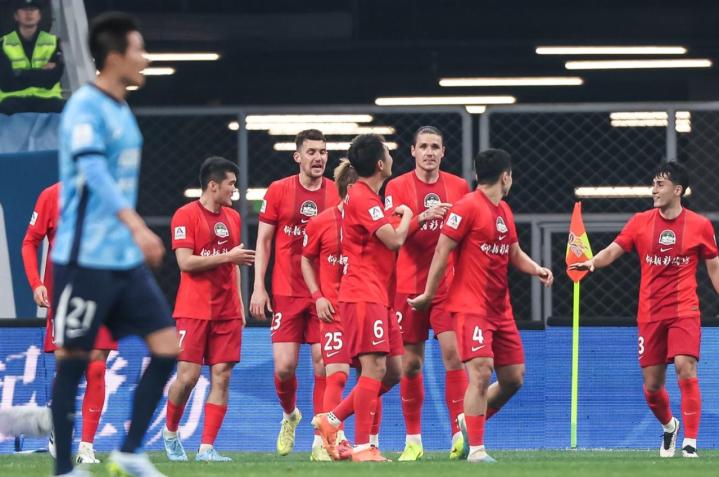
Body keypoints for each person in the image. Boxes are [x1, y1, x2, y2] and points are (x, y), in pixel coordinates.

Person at [50, 13, 178, 477]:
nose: (145, 58)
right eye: (139, 49)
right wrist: (137, 226)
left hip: (123, 262)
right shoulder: (84, 107)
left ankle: (128, 451)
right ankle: (64, 469)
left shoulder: (122, 108)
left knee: (167, 348)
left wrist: (131, 236)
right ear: (114, 56)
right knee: (73, 364)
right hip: (84, 259)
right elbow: (93, 172)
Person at [409, 149, 553, 463]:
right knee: (481, 372)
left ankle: (467, 421)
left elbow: (514, 253)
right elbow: (442, 251)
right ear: (506, 177)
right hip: (470, 307)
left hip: (501, 310)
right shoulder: (466, 207)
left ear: (478, 175)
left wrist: (536, 268)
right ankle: (476, 450)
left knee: (514, 378)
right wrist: (429, 294)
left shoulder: (505, 211)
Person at [569, 161, 717, 459]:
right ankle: (670, 426)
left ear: (678, 190)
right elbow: (614, 249)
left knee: (685, 368)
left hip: (685, 311)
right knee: (652, 387)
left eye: (660, 184)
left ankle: (690, 443)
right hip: (650, 314)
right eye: (653, 184)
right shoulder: (640, 222)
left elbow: (714, 268)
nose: (653, 190)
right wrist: (593, 262)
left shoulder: (700, 226)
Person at [313, 134, 411, 462]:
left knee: (394, 371)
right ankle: (363, 447)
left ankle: (332, 418)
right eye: (388, 152)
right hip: (362, 294)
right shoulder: (362, 196)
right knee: (373, 369)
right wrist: (409, 215)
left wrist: (398, 215)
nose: (392, 157)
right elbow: (394, 241)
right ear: (381, 164)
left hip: (379, 296)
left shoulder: (371, 199)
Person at [250, 129, 340, 457]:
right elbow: (263, 242)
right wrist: (258, 287)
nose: (319, 157)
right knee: (284, 367)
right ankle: (290, 415)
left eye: (323, 152)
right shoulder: (278, 190)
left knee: (322, 363)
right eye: (312, 152)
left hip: (323, 293)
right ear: (297, 156)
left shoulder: (336, 192)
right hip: (286, 291)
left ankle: (320, 441)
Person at [383, 126, 470, 460]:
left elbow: (468, 233)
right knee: (410, 365)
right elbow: (392, 234)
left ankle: (458, 437)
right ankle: (413, 441)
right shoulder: (397, 186)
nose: (430, 152)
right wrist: (422, 217)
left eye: (435, 146)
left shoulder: (459, 187)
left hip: (448, 286)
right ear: (413, 151)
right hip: (407, 286)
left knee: (454, 355)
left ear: (443, 152)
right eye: (424, 147)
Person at [162, 157, 255, 462]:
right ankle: (170, 433)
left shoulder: (233, 217)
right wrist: (227, 257)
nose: (235, 190)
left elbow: (235, 264)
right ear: (213, 185)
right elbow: (185, 262)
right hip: (193, 309)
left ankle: (206, 448)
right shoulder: (185, 215)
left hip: (227, 311)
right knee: (187, 378)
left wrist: (239, 303)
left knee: (222, 376)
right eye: (231, 184)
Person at [21, 182, 118, 464]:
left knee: (97, 368)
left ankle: (86, 447)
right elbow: (30, 242)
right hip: (63, 296)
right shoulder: (51, 195)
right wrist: (36, 283)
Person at [301, 158, 358, 461]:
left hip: (364, 309)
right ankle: (327, 443)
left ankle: (368, 443)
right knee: (336, 374)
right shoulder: (321, 222)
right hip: (333, 311)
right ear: (350, 188)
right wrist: (317, 296)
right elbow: (305, 260)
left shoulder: (373, 220)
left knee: (374, 376)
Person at [0, 0, 64, 115]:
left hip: (47, 100)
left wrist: (19, 73)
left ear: (39, 15)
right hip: (13, 101)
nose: (29, 13)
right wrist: (41, 74)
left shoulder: (53, 42)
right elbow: (6, 83)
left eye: (33, 9)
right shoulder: (3, 44)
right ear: (16, 16)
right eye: (24, 9)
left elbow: (51, 79)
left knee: (68, 108)